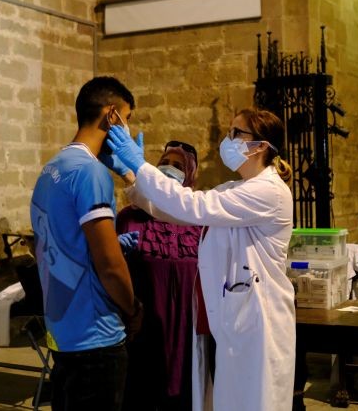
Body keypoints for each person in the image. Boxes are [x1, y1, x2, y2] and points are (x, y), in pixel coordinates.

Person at [107, 107, 296, 411]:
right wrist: (133, 178)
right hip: (236, 320)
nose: (228, 139)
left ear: (260, 146)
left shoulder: (268, 192)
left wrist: (141, 165)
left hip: (260, 321)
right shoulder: (238, 188)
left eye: (237, 133)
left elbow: (193, 205)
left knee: (256, 402)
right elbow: (178, 212)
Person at [30, 76, 144, 411]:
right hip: (96, 336)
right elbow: (109, 266)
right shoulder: (90, 173)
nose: (126, 128)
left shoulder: (52, 167)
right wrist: (133, 308)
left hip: (63, 331)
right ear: (112, 116)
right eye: (127, 119)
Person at [117, 140, 202, 411]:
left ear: (191, 174)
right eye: (164, 163)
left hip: (190, 327)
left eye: (178, 166)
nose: (169, 169)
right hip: (146, 325)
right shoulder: (130, 216)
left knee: (187, 394)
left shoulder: (200, 217)